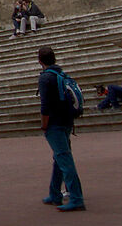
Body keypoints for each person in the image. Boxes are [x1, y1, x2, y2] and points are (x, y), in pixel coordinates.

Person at [37, 45, 86, 211]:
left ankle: (77, 197)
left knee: (64, 159)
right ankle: (55, 193)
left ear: (39, 61)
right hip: (66, 121)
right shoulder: (61, 74)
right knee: (59, 158)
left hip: (54, 123)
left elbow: (45, 106)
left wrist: (44, 124)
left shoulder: (45, 78)